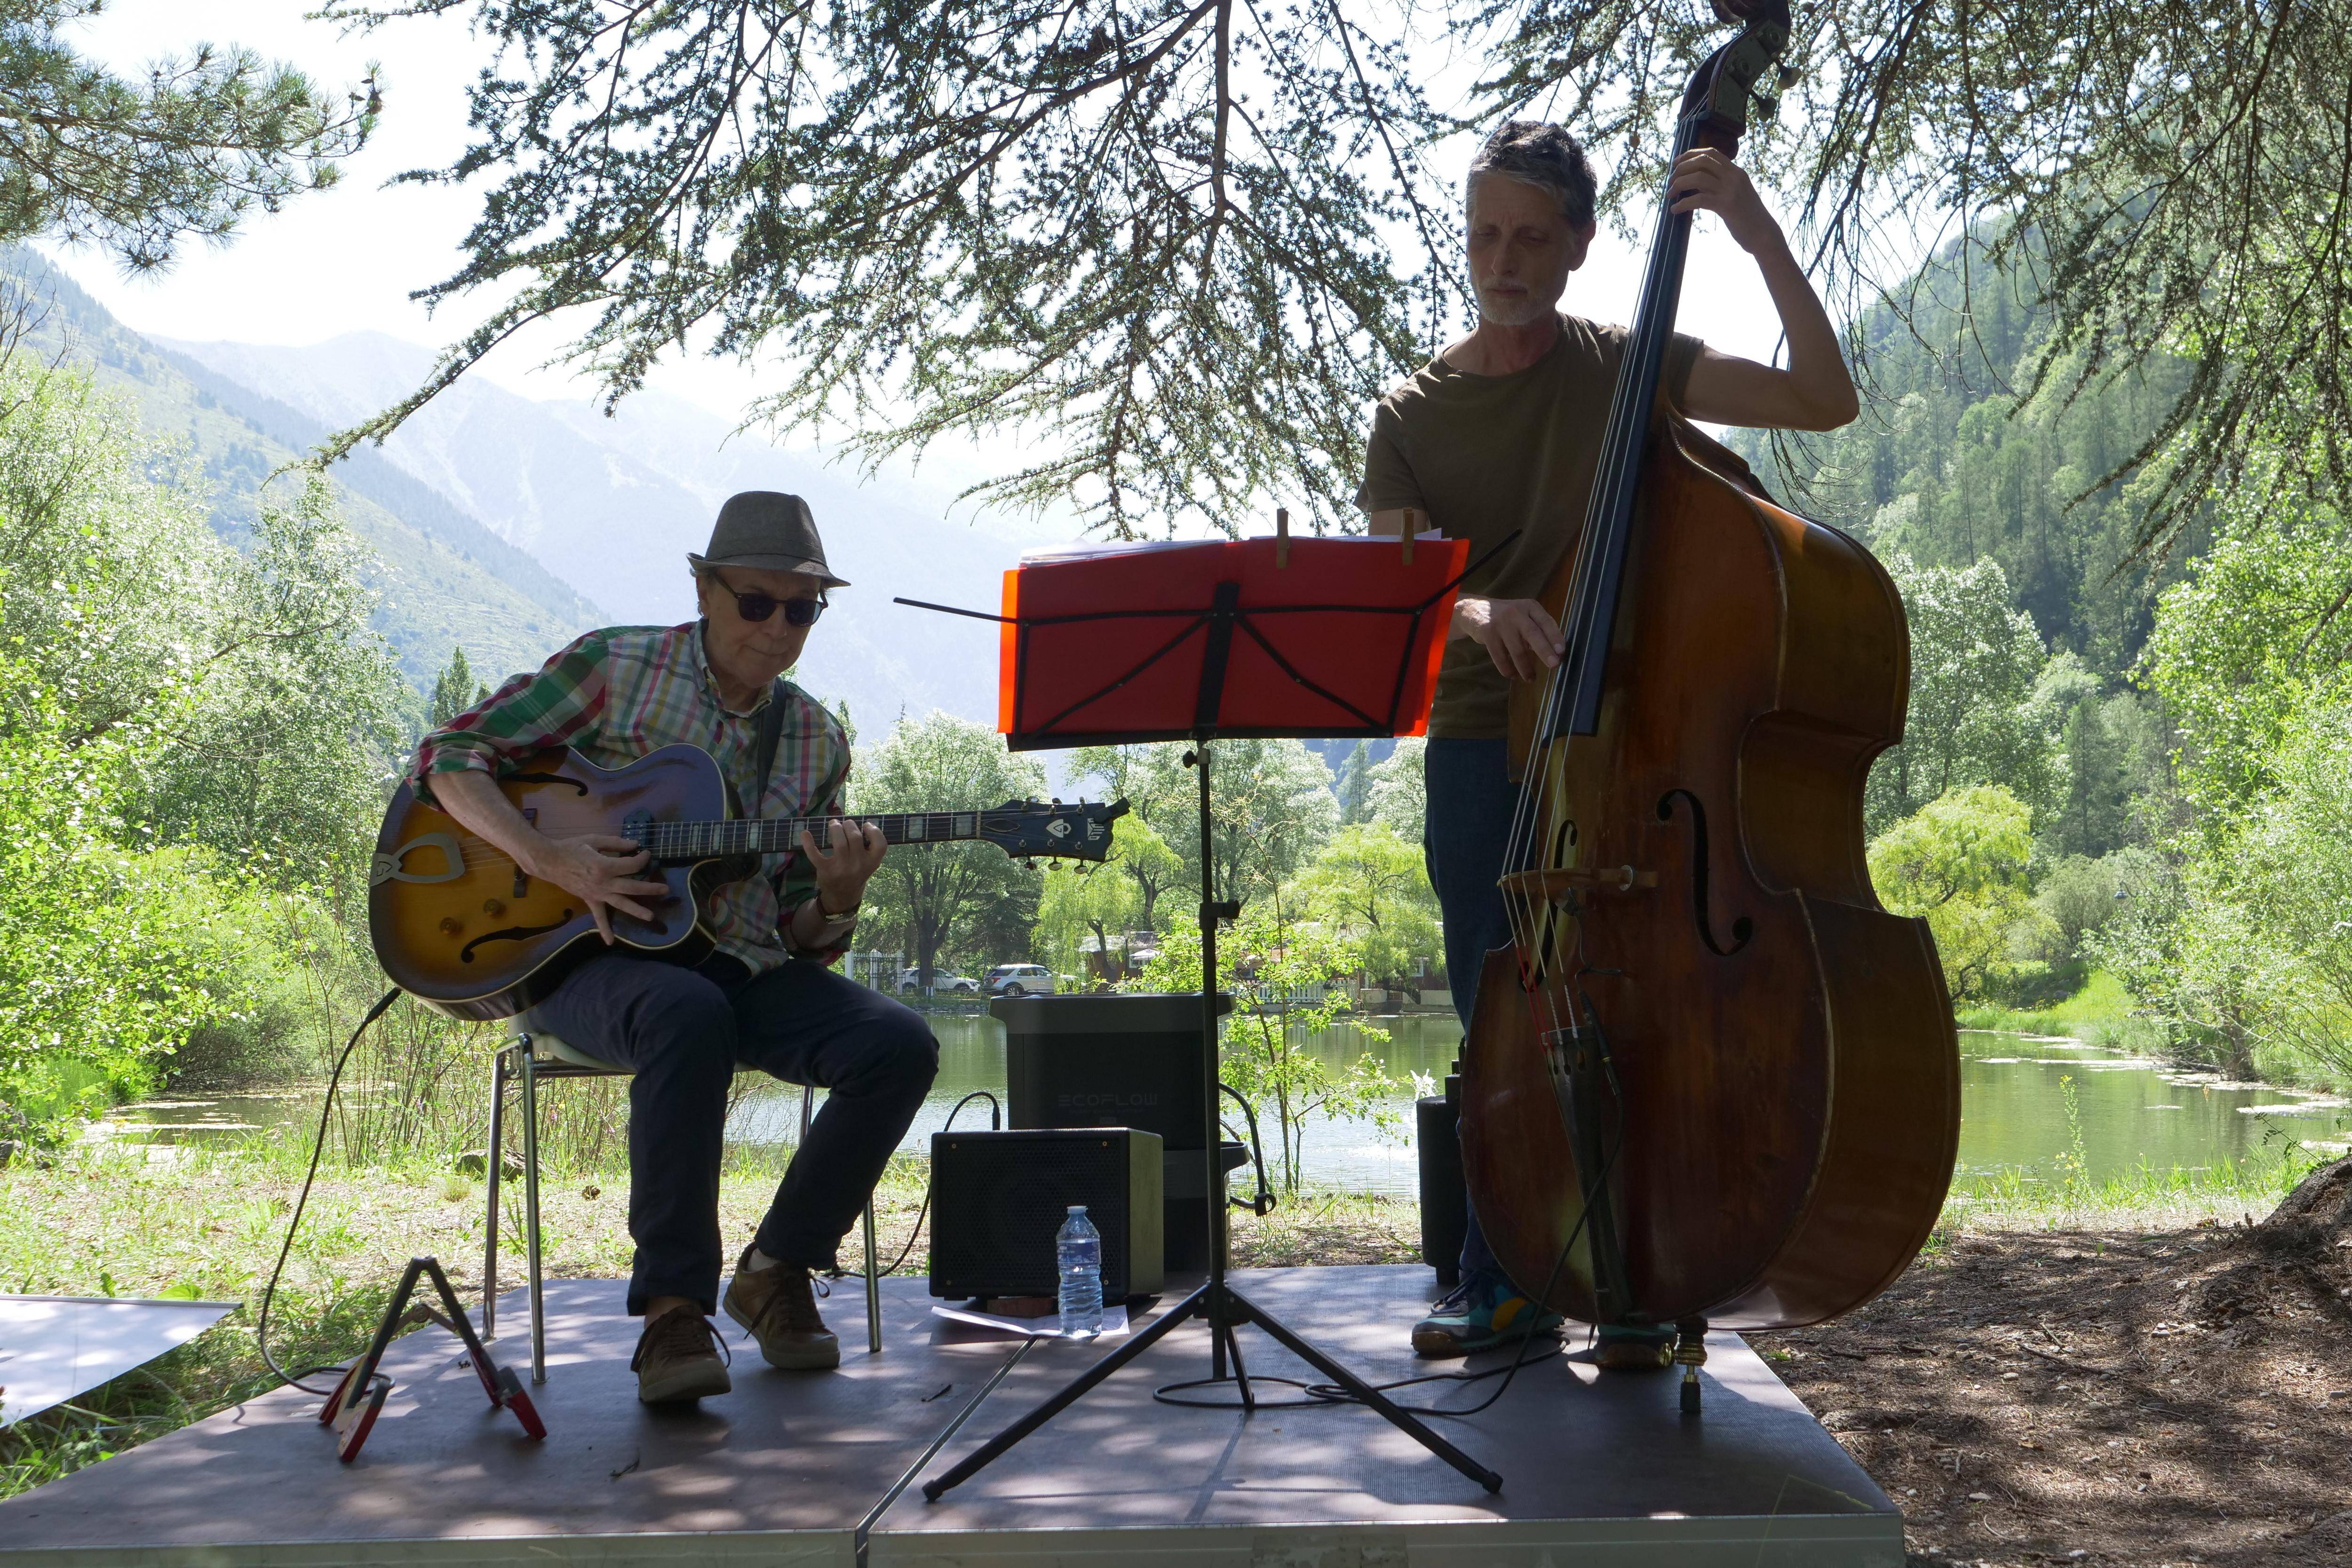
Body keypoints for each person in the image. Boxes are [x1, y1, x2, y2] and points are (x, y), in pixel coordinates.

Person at [1357, 121, 1860, 1361]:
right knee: (1505, 1012)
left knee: (1650, 1001)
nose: (1504, 258)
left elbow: (1824, 397)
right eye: (1485, 234)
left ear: (1579, 248)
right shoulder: (1410, 411)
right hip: (1486, 742)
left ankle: (1646, 1279)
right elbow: (1392, 593)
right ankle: (1510, 1276)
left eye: (1532, 236)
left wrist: (1755, 229)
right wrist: (1477, 608)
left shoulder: (1626, 363)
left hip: (1640, 740)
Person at [410, 491, 938, 1403]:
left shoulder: (814, 740)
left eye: (802, 608)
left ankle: (776, 1268)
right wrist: (553, 859)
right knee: (683, 1012)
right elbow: (452, 758)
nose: (779, 627)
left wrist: (841, 900)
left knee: (899, 1043)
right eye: (757, 602)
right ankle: (670, 1312)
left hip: (733, 964)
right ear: (704, 588)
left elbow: (797, 936)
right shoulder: (615, 668)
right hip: (573, 955)